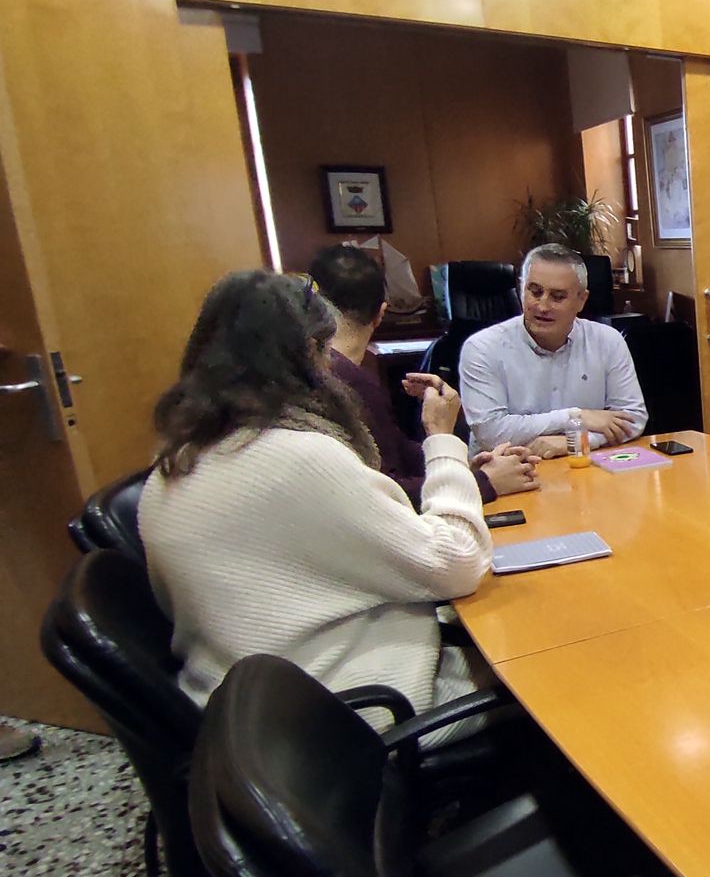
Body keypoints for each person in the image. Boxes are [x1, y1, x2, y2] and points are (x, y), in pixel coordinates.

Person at [139, 271, 493, 730]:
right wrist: (443, 439)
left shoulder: (178, 457)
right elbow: (459, 562)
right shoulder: (297, 455)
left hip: (245, 708)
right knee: (535, 666)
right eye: (326, 351)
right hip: (347, 715)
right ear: (307, 354)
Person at [307, 246, 537, 505]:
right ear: (381, 313)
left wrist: (462, 465)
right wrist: (482, 481)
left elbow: (400, 453)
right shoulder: (345, 383)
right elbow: (383, 494)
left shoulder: (325, 371)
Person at [456, 243, 646, 456]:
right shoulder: (482, 348)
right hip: (506, 476)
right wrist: (575, 417)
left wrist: (578, 441)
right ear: (521, 289)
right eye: (535, 292)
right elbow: (490, 432)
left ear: (581, 300)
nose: (543, 306)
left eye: (557, 297)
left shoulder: (608, 341)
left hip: (584, 470)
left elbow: (633, 418)